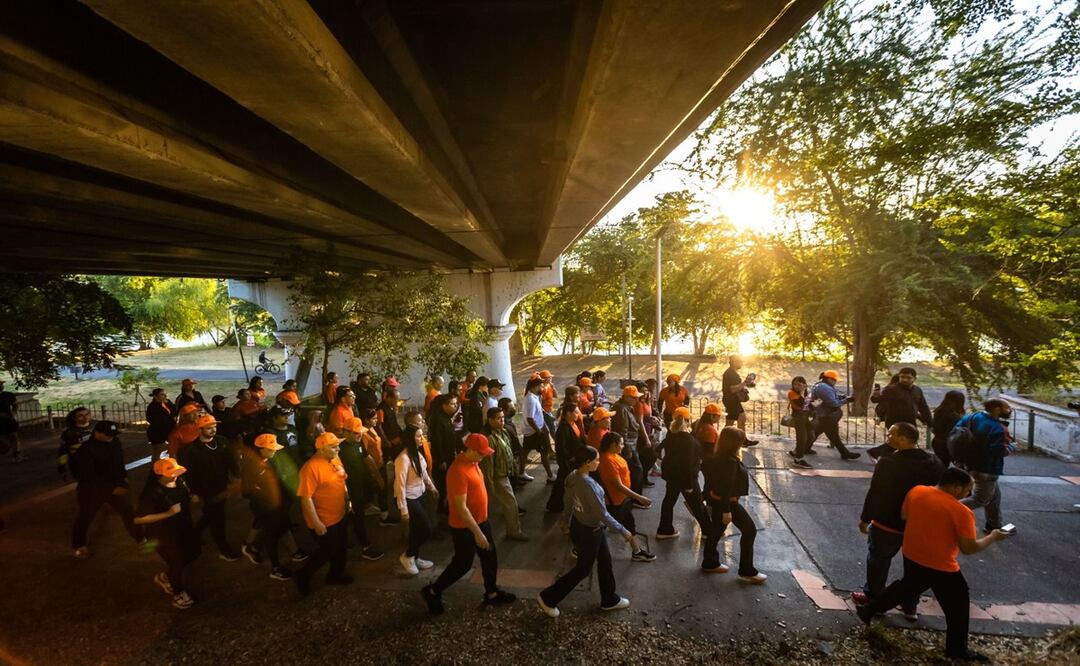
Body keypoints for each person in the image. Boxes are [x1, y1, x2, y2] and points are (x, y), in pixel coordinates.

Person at [856, 467, 1014, 662]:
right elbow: (969, 548)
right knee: (958, 607)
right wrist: (993, 536)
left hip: (913, 553)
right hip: (941, 565)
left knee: (907, 586)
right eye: (967, 490)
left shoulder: (917, 492)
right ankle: (956, 649)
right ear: (956, 488)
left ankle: (869, 610)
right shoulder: (961, 512)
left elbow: (905, 516)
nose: (969, 494)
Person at [852, 422, 943, 619]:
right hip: (919, 523)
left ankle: (873, 597)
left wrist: (865, 518)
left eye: (892, 433)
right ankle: (910, 605)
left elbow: (876, 492)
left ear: (903, 438)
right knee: (915, 567)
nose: (888, 436)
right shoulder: (934, 462)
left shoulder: (888, 463)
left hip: (888, 522)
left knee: (878, 559)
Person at [537, 446, 640, 617]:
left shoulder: (573, 476)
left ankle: (609, 599)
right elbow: (603, 514)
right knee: (583, 569)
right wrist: (624, 531)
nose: (599, 462)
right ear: (587, 463)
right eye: (596, 460)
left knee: (605, 562)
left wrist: (565, 519)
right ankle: (548, 597)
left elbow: (568, 501)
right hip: (590, 531)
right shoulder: (588, 485)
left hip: (584, 526)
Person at [420, 434, 517, 614]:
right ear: (470, 449)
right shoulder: (458, 470)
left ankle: (492, 593)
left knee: (490, 557)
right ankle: (433, 591)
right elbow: (461, 508)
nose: (483, 456)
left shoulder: (473, 462)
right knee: (462, 564)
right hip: (465, 527)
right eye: (480, 453)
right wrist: (477, 533)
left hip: (481, 521)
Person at [60, 420, 142, 557]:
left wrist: (123, 478)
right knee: (86, 516)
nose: (111, 437)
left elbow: (119, 462)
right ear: (97, 433)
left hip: (115, 486)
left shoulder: (114, 442)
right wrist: (110, 490)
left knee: (128, 511)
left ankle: (140, 537)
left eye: (113, 434)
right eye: (108, 435)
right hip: (92, 491)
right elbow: (87, 476)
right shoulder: (86, 450)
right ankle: (79, 545)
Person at [701, 427, 766, 582]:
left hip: (719, 501)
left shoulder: (718, 456)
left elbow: (710, 480)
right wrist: (726, 511)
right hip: (728, 503)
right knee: (749, 530)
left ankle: (710, 562)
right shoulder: (729, 462)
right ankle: (747, 570)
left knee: (716, 531)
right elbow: (726, 487)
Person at [135, 457, 200, 609]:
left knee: (193, 553)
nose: (175, 475)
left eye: (176, 471)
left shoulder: (180, 482)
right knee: (177, 562)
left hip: (183, 528)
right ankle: (178, 594)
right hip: (162, 533)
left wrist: (192, 497)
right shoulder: (152, 492)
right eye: (171, 473)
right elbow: (139, 519)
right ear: (159, 475)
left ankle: (166, 576)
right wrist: (168, 513)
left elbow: (185, 496)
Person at [295, 432, 353, 596]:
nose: (338, 449)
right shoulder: (310, 468)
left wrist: (348, 500)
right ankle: (303, 576)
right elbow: (306, 499)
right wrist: (317, 523)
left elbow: (342, 480)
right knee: (327, 551)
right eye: (334, 446)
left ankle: (334, 576)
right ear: (321, 448)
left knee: (341, 547)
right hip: (324, 520)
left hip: (340, 513)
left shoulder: (334, 458)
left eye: (338, 445)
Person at [177, 414, 241, 561]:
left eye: (214, 427)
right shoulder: (191, 450)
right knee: (218, 517)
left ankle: (194, 534)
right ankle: (224, 548)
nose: (213, 430)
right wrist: (192, 492)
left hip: (222, 485)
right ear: (200, 429)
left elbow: (230, 460)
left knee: (211, 513)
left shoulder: (222, 441)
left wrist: (237, 475)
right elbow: (187, 474)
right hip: (205, 489)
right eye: (209, 428)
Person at [239, 433, 294, 580]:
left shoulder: (268, 460)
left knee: (279, 526)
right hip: (264, 505)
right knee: (272, 534)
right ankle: (275, 568)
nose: (274, 451)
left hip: (273, 503)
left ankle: (252, 546)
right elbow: (247, 491)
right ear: (260, 449)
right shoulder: (252, 466)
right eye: (270, 449)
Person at [956, 399, 1013, 533]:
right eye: (1007, 408)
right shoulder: (997, 428)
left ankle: (994, 525)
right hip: (987, 469)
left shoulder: (974, 416)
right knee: (980, 499)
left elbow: (957, 431)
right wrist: (1011, 446)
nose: (1009, 411)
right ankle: (943, 511)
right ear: (997, 409)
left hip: (971, 463)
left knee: (994, 496)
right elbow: (1001, 451)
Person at [597, 432, 655, 562]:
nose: (623, 446)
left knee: (617, 524)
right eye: (621, 443)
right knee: (625, 525)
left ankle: (637, 551)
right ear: (613, 445)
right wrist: (639, 497)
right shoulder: (607, 461)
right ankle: (637, 551)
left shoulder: (613, 455)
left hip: (621, 499)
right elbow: (618, 485)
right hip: (616, 500)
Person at [656, 407, 709, 539]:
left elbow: (661, 448)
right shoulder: (688, 440)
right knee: (697, 506)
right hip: (686, 478)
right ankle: (708, 531)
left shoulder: (671, 434)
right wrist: (689, 485)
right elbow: (686, 464)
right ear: (687, 420)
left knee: (668, 502)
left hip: (672, 477)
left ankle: (664, 529)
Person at [338, 417, 385, 561]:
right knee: (357, 517)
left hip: (359, 486)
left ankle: (343, 541)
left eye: (360, 433)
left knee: (352, 516)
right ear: (346, 432)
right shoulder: (338, 449)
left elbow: (366, 458)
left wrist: (377, 476)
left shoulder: (358, 444)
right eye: (356, 433)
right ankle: (365, 547)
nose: (359, 436)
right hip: (347, 490)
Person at [396, 424, 439, 575]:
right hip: (409, 498)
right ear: (410, 438)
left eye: (422, 435)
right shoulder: (403, 459)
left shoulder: (417, 453)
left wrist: (431, 487)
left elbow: (423, 473)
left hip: (420, 495)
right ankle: (408, 555)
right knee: (426, 529)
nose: (422, 438)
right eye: (418, 436)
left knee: (416, 529)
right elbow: (399, 486)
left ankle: (415, 556)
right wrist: (403, 510)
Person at [481, 408, 528, 540]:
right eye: (498, 418)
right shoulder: (489, 438)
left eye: (502, 417)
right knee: (511, 503)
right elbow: (488, 464)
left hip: (505, 473)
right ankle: (513, 531)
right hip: (498, 476)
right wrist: (489, 484)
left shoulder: (502, 432)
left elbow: (508, 451)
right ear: (490, 420)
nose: (502, 420)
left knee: (509, 503)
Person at [867, 368, 932, 461]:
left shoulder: (917, 390)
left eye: (908, 377)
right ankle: (881, 457)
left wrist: (928, 421)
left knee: (903, 442)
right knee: (900, 442)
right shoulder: (892, 389)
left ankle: (880, 455)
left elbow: (923, 407)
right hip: (895, 422)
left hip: (910, 420)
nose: (905, 379)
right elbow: (877, 400)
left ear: (914, 379)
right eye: (902, 377)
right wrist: (875, 395)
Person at [810, 370, 861, 460]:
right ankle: (845, 453)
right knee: (834, 436)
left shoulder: (820, 385)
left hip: (823, 415)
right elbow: (833, 403)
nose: (835, 381)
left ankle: (804, 448)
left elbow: (821, 400)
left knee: (816, 433)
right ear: (829, 378)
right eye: (834, 379)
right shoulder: (824, 388)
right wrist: (846, 400)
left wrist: (841, 397)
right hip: (827, 416)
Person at [546, 402, 586, 514]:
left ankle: (557, 504)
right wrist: (568, 460)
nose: (578, 414)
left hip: (572, 460)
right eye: (576, 412)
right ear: (568, 413)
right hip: (567, 462)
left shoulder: (573, 424)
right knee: (561, 484)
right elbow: (561, 449)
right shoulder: (563, 429)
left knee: (562, 483)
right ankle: (555, 505)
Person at [429, 394, 461, 516]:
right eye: (453, 404)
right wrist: (441, 460)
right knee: (444, 484)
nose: (456, 406)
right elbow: (437, 441)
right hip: (443, 459)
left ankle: (447, 507)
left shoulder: (446, 417)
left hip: (449, 456)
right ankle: (443, 510)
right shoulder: (438, 420)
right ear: (444, 405)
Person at [610, 385, 645, 495]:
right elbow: (622, 431)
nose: (637, 400)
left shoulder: (627, 407)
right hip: (628, 444)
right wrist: (627, 449)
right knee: (637, 470)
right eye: (635, 397)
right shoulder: (621, 409)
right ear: (627, 397)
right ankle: (635, 496)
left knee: (634, 470)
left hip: (632, 443)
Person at [519, 377, 553, 483]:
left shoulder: (533, 397)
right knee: (544, 453)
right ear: (535, 387)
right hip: (534, 431)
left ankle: (521, 472)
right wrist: (539, 431)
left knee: (526, 451)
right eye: (541, 386)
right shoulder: (530, 400)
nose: (543, 388)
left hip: (534, 429)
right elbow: (530, 418)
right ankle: (550, 476)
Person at [721, 355, 759, 445]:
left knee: (742, 418)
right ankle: (722, 441)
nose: (742, 363)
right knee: (729, 424)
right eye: (740, 361)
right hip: (731, 401)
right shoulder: (730, 373)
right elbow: (732, 389)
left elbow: (737, 386)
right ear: (734, 362)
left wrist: (748, 384)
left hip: (733, 400)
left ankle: (743, 440)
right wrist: (745, 382)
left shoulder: (733, 373)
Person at [931, 391, 966, 467]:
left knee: (941, 466)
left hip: (937, 441)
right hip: (949, 444)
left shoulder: (938, 411)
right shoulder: (954, 416)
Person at [786, 376, 814, 469]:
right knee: (802, 438)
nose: (797, 386)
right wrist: (802, 392)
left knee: (811, 436)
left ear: (804, 384)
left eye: (799, 384)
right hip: (798, 417)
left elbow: (810, 405)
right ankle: (798, 460)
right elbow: (802, 404)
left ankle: (795, 452)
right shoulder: (791, 393)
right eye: (795, 384)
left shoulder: (805, 393)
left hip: (805, 417)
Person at [0, 380, 27, 462]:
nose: (2, 385)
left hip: (9, 420)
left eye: (1, 384)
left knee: (14, 436)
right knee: (3, 441)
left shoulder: (8, 395)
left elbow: (15, 404)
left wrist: (13, 413)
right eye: (0, 384)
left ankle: (16, 455)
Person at [146, 388, 175, 463]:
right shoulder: (152, 406)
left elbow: (174, 412)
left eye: (165, 394)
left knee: (173, 451)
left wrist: (168, 404)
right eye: (162, 394)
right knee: (157, 454)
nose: (165, 396)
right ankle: (155, 470)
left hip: (169, 430)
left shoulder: (167, 403)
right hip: (157, 432)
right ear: (155, 397)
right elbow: (151, 419)